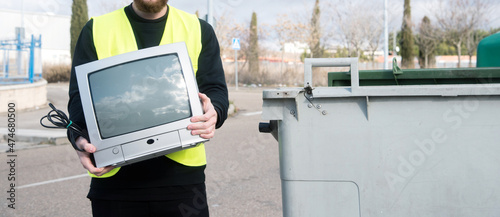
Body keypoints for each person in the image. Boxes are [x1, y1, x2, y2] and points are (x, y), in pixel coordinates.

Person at [67, 0, 228, 216]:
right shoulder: (95, 29)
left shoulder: (199, 29)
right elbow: (78, 100)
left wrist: (214, 111)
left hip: (182, 183)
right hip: (115, 184)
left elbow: (216, 90)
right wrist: (78, 138)